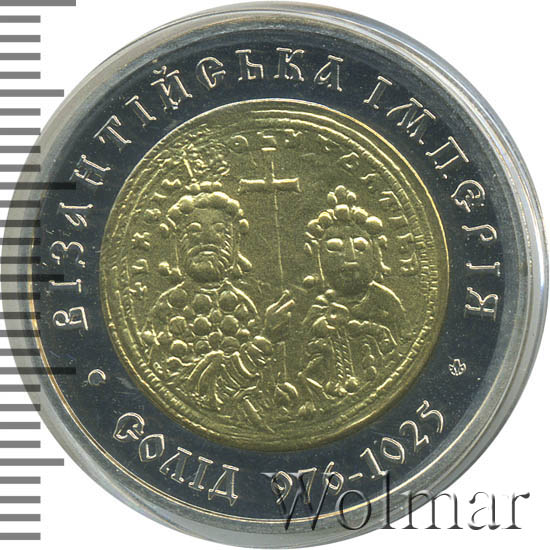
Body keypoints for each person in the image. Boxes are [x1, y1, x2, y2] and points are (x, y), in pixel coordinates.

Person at [141, 181, 293, 423]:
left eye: (220, 230)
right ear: (178, 244)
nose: (207, 239)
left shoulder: (243, 305)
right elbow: (192, 388)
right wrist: (266, 339)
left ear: (235, 244)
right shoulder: (168, 308)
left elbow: (258, 381)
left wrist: (274, 392)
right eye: (193, 231)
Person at [300, 185, 405, 403]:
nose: (349, 259)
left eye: (360, 247)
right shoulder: (318, 308)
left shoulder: (387, 303)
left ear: (376, 254)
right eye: (334, 248)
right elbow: (303, 355)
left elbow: (401, 350)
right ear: (318, 257)